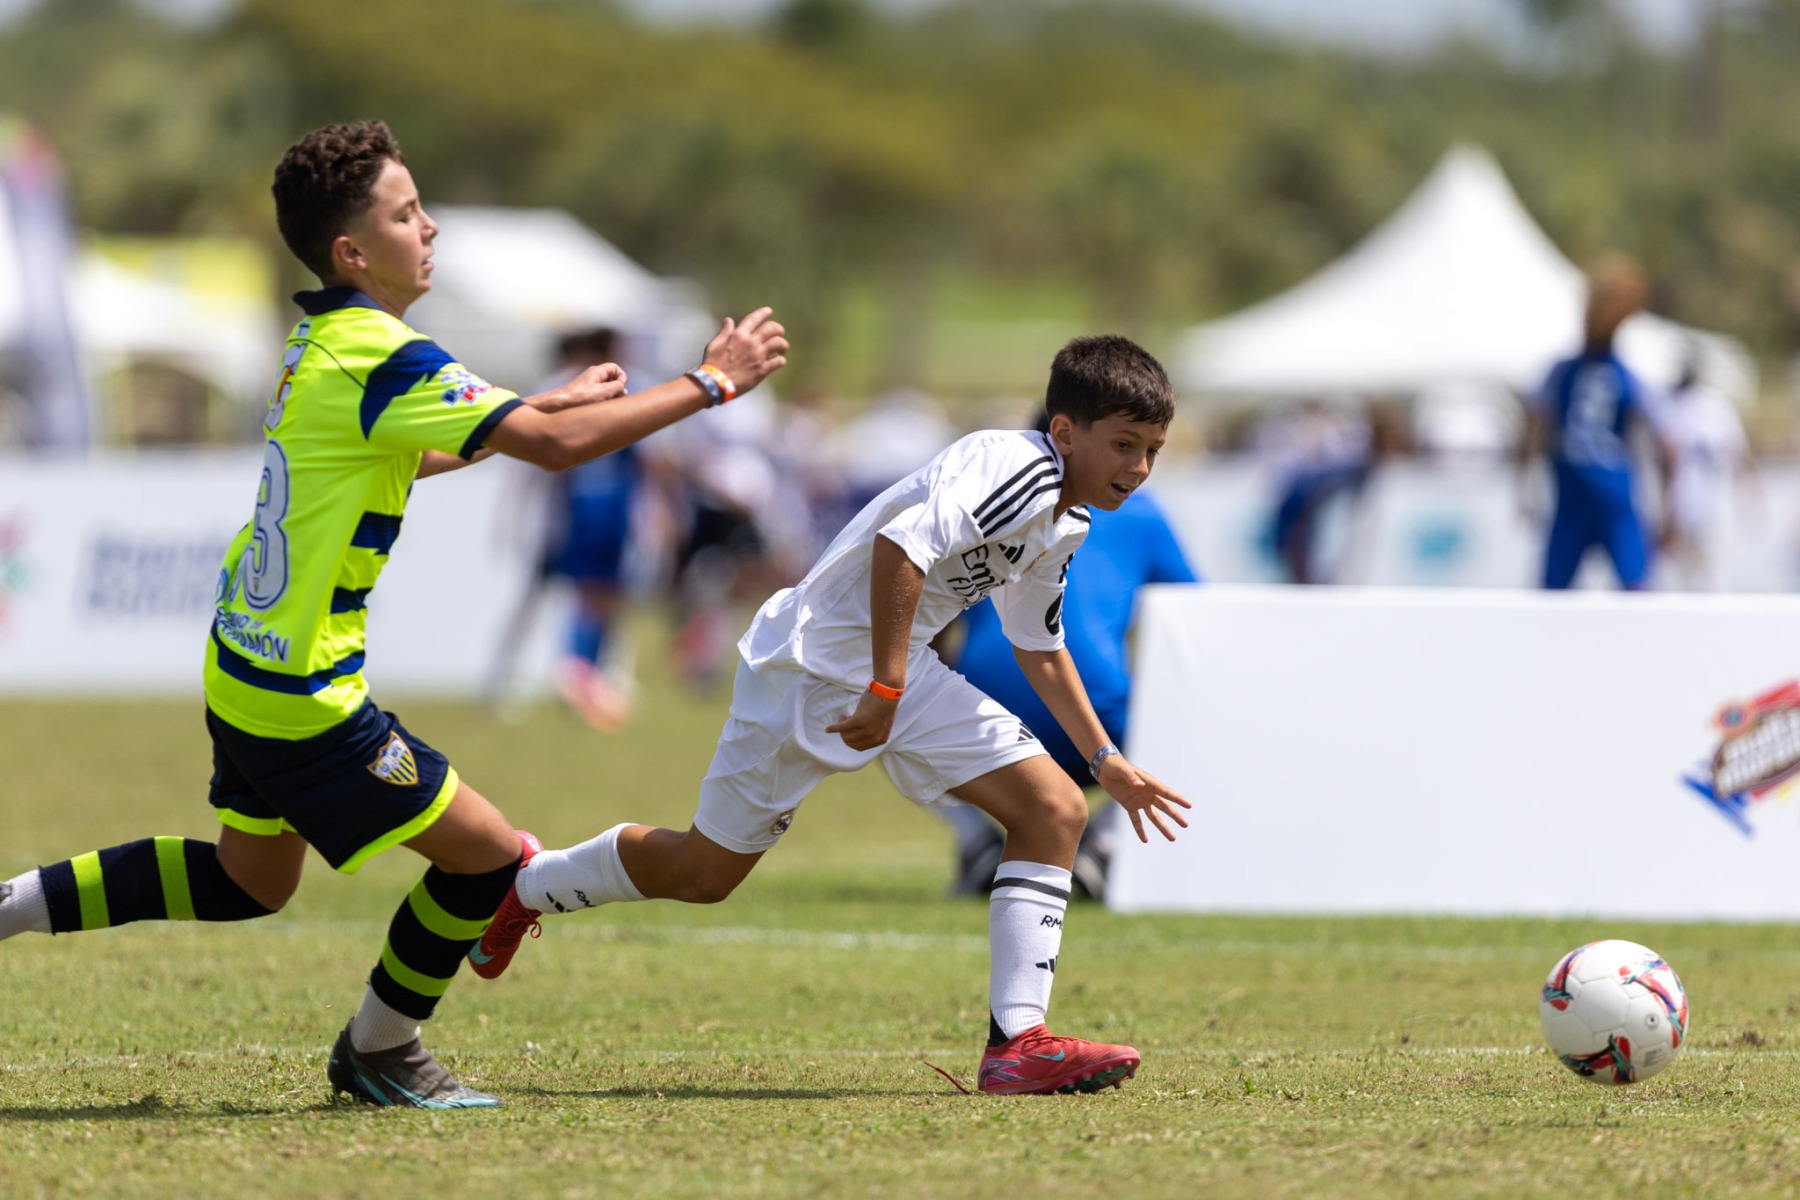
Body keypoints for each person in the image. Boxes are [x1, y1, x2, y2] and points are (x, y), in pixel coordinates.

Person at [0, 120, 787, 1109]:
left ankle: (8, 905)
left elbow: (406, 454)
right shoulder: (381, 349)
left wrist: (536, 408)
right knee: (489, 860)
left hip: (247, 664)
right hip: (304, 695)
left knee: (249, 882)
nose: (431, 227)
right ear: (353, 252)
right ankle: (380, 1049)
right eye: (406, 213)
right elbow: (551, 451)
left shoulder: (324, 339)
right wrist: (709, 383)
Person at [466, 335, 1192, 1097]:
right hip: (809, 665)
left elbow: (1038, 644)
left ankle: (1018, 1044)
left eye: (1153, 450)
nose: (1139, 468)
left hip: (898, 667)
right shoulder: (1018, 469)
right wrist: (885, 686)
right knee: (703, 873)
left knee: (1055, 808)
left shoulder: (1066, 519)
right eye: (1124, 445)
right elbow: (900, 549)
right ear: (1065, 431)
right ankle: (529, 882)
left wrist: (1107, 760)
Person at [937, 447, 1198, 902]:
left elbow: (927, 616)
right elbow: (1195, 615)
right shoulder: (1140, 512)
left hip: (978, 720)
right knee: (1200, 716)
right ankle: (1101, 845)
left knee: (887, 692)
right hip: (1097, 720)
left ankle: (976, 842)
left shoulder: (978, 501)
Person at [1519, 257, 1672, 591]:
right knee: (1633, 592)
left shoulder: (1566, 373)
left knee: (1558, 596)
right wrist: (1668, 508)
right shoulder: (1622, 376)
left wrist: (1525, 486)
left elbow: (1532, 428)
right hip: (1599, 498)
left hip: (1589, 500)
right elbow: (1668, 445)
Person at [1658, 345, 1758, 592]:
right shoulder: (1673, 403)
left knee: (1707, 577)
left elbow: (1739, 452)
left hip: (1706, 505)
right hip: (1686, 507)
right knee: (1688, 578)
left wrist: (1751, 492)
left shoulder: (1709, 404)